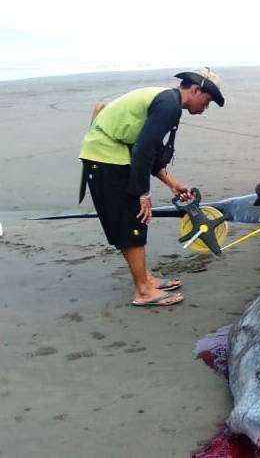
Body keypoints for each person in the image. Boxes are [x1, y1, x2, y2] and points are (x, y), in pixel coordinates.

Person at [78, 67, 225, 305]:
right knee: (132, 220)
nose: (205, 108)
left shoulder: (167, 100)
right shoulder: (169, 105)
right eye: (207, 102)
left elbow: (150, 150)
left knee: (130, 221)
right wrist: (143, 194)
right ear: (196, 90)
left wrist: (172, 184)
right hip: (107, 158)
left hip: (109, 155)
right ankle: (143, 291)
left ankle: (145, 279)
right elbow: (143, 150)